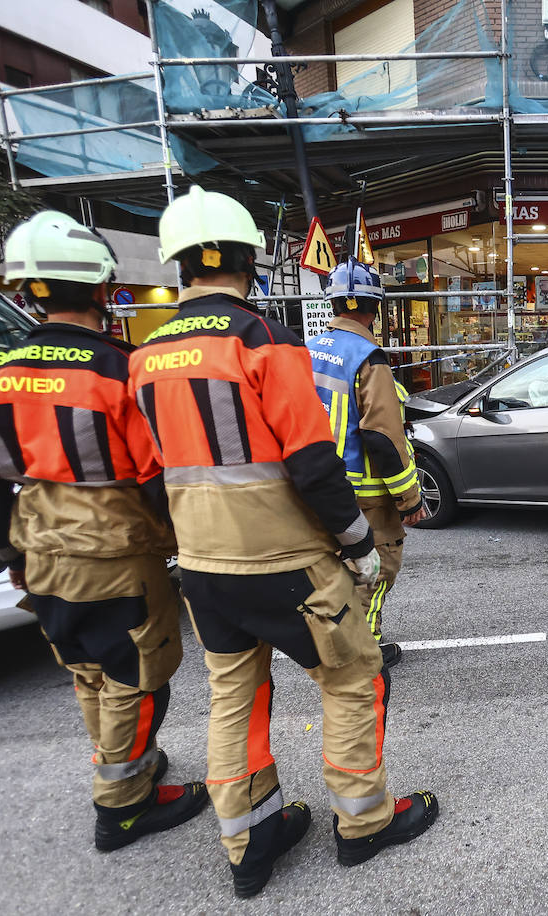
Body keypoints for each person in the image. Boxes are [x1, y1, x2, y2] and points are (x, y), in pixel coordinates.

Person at [128, 186, 438, 898]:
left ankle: (249, 844)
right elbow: (312, 462)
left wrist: (185, 543)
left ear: (181, 266)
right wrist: (359, 545)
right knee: (353, 680)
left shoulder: (144, 359)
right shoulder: (262, 343)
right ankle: (362, 825)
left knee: (234, 700)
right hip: (290, 566)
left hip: (204, 571)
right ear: (245, 261)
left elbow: (146, 478)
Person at [0, 211, 208, 852]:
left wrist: (12, 554)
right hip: (117, 549)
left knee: (88, 668)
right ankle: (123, 805)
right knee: (136, 674)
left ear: (25, 291)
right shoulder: (116, 371)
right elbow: (156, 478)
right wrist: (193, 544)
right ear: (102, 289)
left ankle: (129, 768)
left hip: (39, 545)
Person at [306, 261, 427, 669]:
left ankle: (338, 639)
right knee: (375, 570)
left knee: (336, 568)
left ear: (334, 303)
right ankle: (362, 651)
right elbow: (382, 438)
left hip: (320, 486)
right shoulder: (368, 357)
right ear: (375, 309)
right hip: (366, 496)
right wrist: (410, 501)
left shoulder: (310, 351)